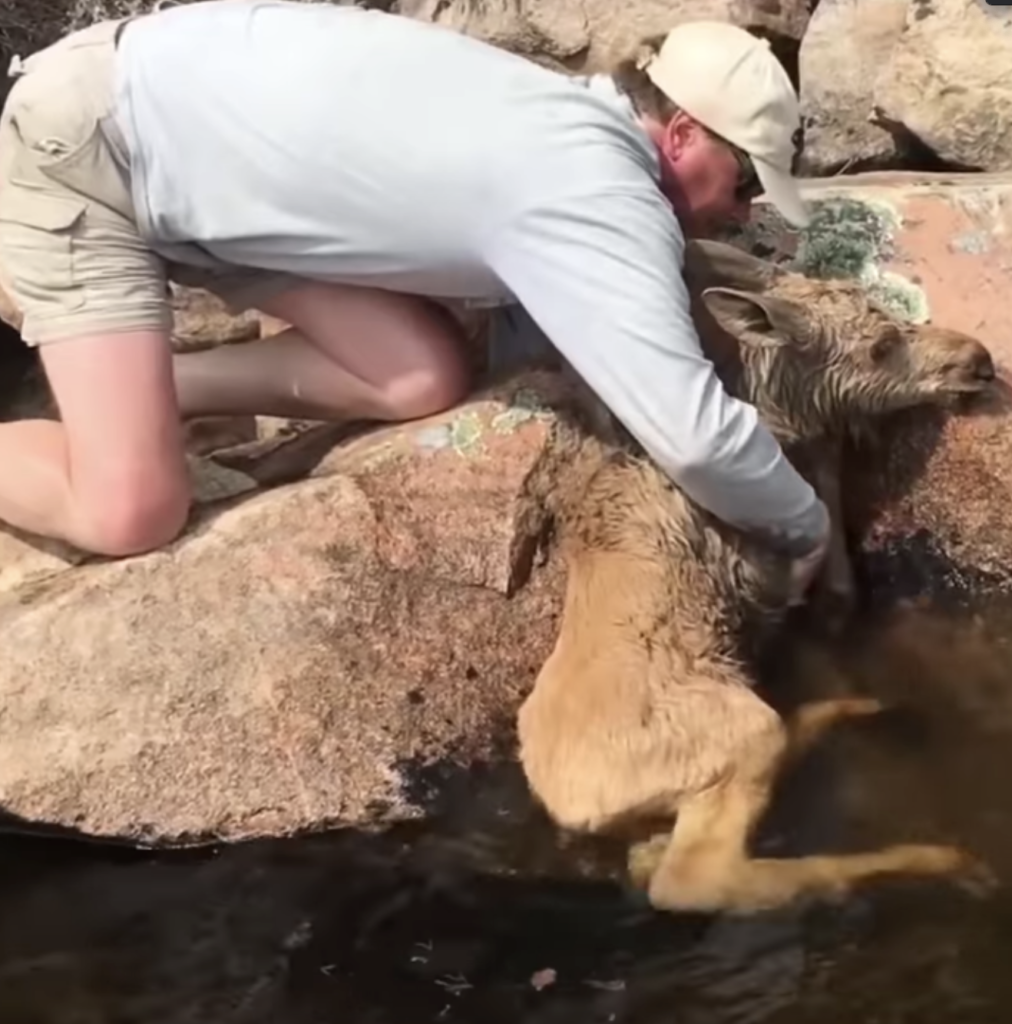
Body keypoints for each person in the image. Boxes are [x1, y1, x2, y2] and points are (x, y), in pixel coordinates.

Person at [0, 0, 829, 597]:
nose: (744, 212)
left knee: (419, 376)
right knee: (131, 512)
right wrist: (806, 526)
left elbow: (536, 332)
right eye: (748, 177)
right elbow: (692, 438)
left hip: (193, 158)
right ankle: (114, 422)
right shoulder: (596, 189)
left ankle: (147, 394)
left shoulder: (563, 122)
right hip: (92, 152)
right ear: (680, 135)